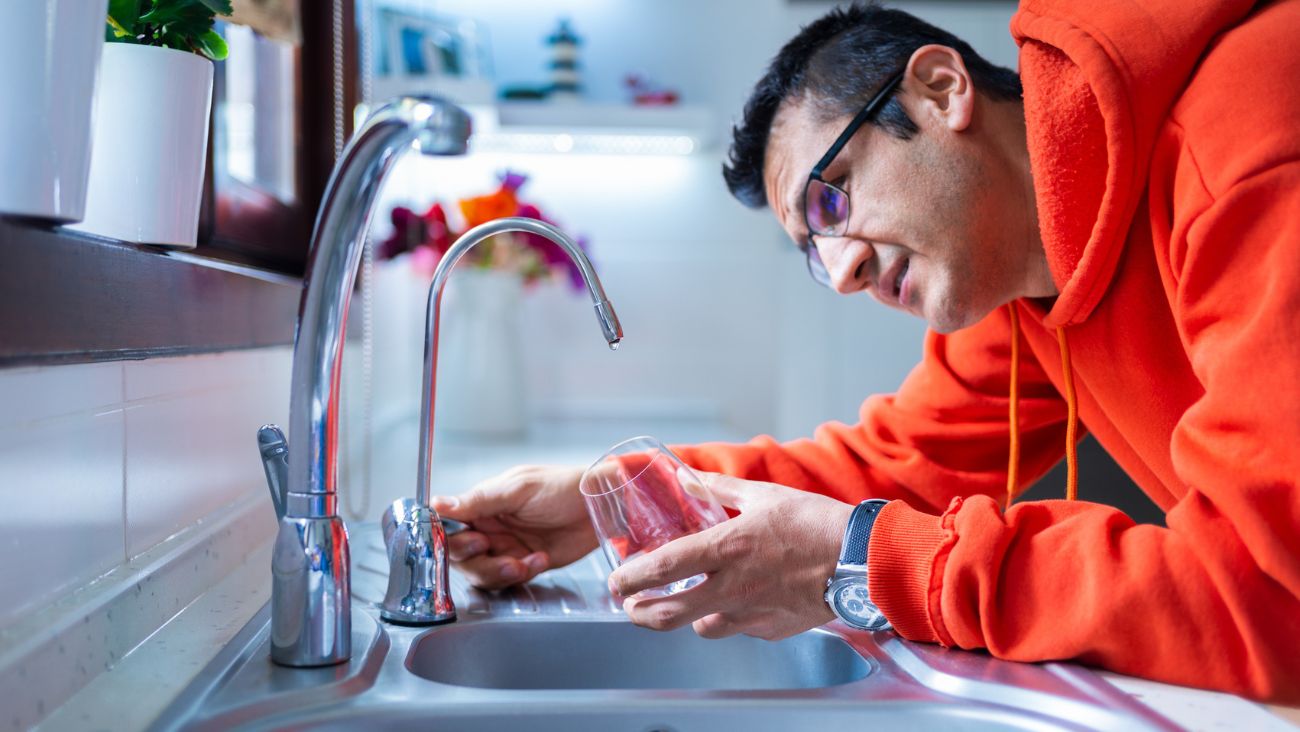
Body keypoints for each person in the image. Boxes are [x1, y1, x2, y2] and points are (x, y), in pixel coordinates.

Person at [433, 0, 1300, 702]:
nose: (843, 272)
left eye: (832, 201)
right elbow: (891, 469)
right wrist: (629, 499)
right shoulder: (1024, 281)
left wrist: (860, 560)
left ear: (939, 89)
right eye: (813, 250)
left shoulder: (1253, 139)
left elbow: (1271, 595)